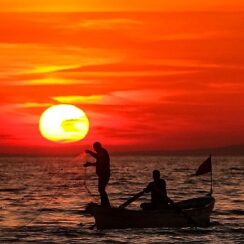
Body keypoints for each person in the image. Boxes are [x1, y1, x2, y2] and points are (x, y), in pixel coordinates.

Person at [84, 142, 111, 207]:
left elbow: (99, 160)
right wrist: (90, 163)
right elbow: (98, 159)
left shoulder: (102, 152)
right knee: (101, 189)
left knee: (101, 189)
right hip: (102, 174)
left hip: (105, 174)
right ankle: (104, 204)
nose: (94, 149)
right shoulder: (100, 153)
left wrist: (90, 153)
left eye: (95, 148)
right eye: (94, 148)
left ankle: (105, 205)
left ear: (98, 147)